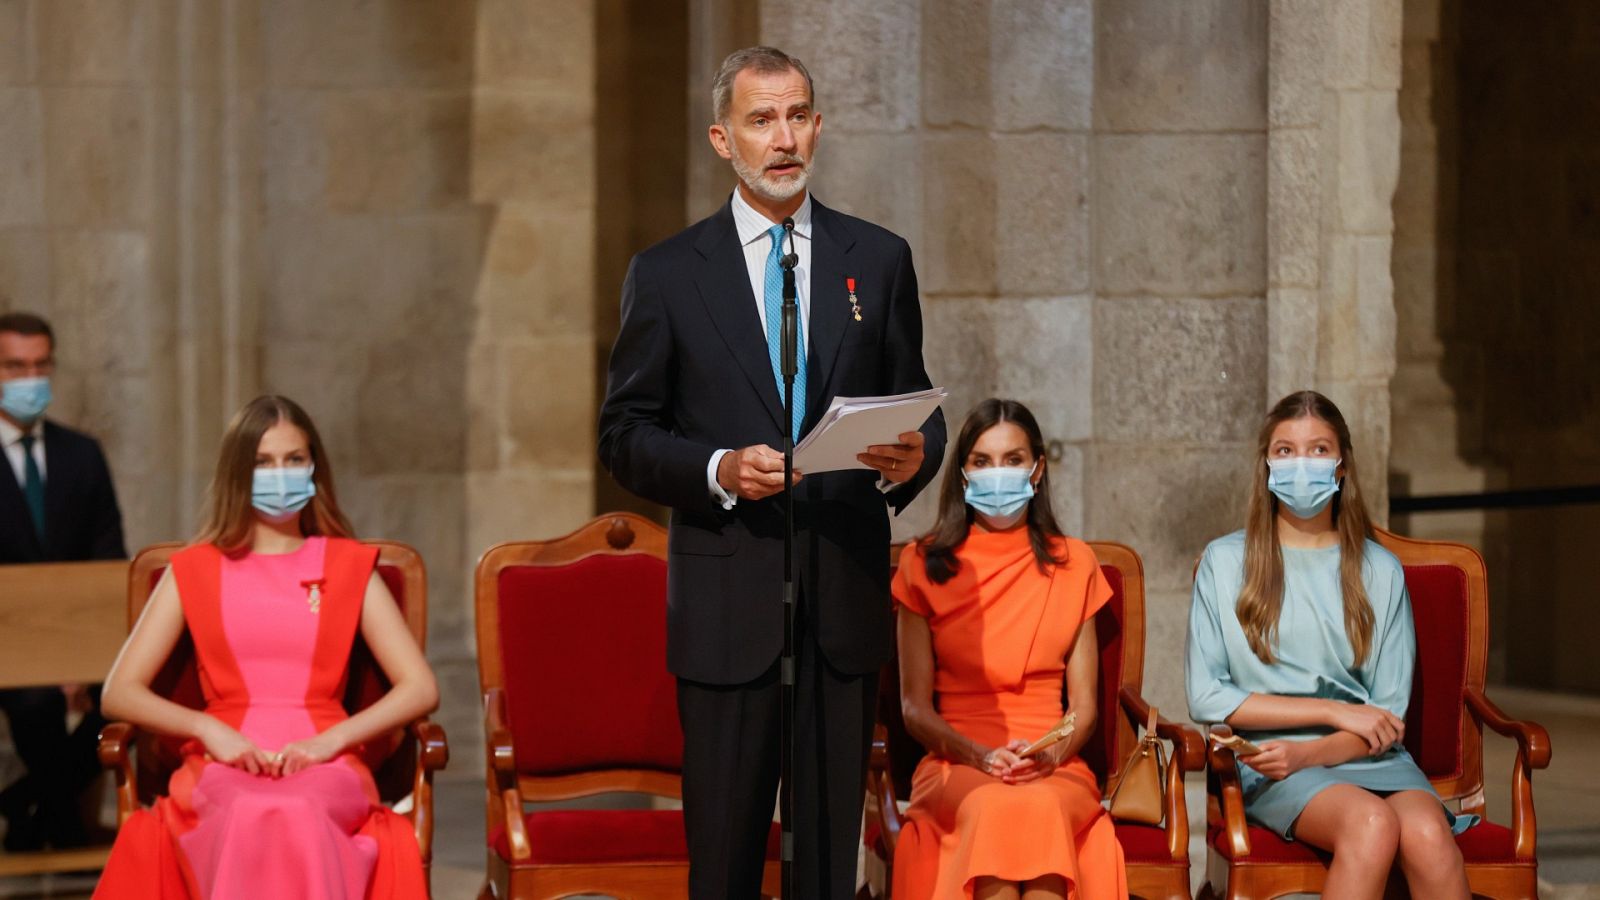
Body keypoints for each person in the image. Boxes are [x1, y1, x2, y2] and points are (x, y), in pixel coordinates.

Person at [597, 45, 946, 899]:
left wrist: (917, 454)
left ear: (817, 126)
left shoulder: (880, 257)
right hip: (727, 606)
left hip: (840, 597)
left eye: (796, 117)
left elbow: (919, 409)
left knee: (826, 865)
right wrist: (717, 466)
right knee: (724, 860)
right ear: (724, 139)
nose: (783, 138)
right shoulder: (671, 273)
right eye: (761, 121)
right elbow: (624, 433)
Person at [94, 395, 438, 899]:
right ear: (238, 472)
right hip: (222, 758)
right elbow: (118, 693)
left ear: (314, 467)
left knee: (299, 810)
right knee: (245, 811)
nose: (281, 474)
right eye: (263, 462)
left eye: (293, 460)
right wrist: (207, 729)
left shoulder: (348, 565)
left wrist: (332, 742)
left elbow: (420, 687)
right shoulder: (193, 569)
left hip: (327, 759)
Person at [1185, 390, 1475, 899]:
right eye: (1286, 450)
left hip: (1369, 755)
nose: (1303, 464)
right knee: (1371, 824)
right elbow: (1207, 696)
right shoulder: (1225, 562)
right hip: (1272, 762)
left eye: (1319, 450)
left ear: (1341, 467)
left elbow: (1386, 713)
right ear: (1267, 465)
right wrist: (1333, 713)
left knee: (1429, 835)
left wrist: (1318, 748)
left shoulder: (1379, 569)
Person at [892, 399, 1126, 900]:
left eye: (1013, 459)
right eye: (982, 461)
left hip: (1053, 764)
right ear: (962, 474)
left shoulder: (1076, 563)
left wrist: (1049, 755)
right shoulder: (923, 563)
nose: (998, 473)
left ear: (1037, 469)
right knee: (995, 808)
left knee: (1037, 807)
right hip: (955, 763)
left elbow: (1083, 709)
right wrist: (979, 756)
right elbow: (913, 709)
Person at [0, 310, 126, 851]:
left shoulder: (82, 455)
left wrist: (77, 657)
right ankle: (63, 826)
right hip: (7, 646)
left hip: (82, 639)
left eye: (39, 366)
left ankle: (25, 805)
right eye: (14, 366)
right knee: (35, 704)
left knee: (127, 698)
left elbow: (108, 557)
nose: (29, 379)